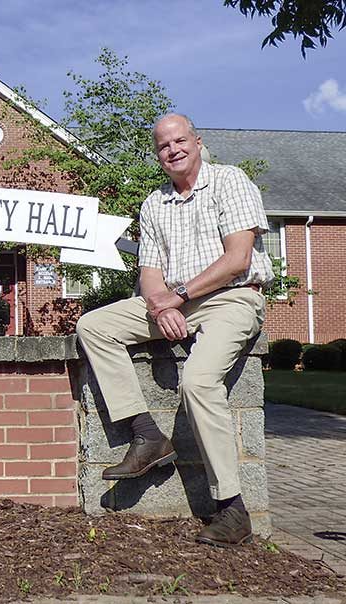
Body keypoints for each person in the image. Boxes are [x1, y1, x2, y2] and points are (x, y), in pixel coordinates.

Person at [75, 113, 274, 547]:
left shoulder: (230, 181)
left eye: (180, 140)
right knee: (94, 325)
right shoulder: (153, 204)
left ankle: (233, 509)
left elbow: (238, 258)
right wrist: (158, 304)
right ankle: (147, 435)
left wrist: (176, 296)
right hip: (173, 301)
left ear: (198, 142)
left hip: (232, 298)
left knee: (200, 383)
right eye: (164, 146)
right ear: (158, 155)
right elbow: (150, 273)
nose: (173, 150)